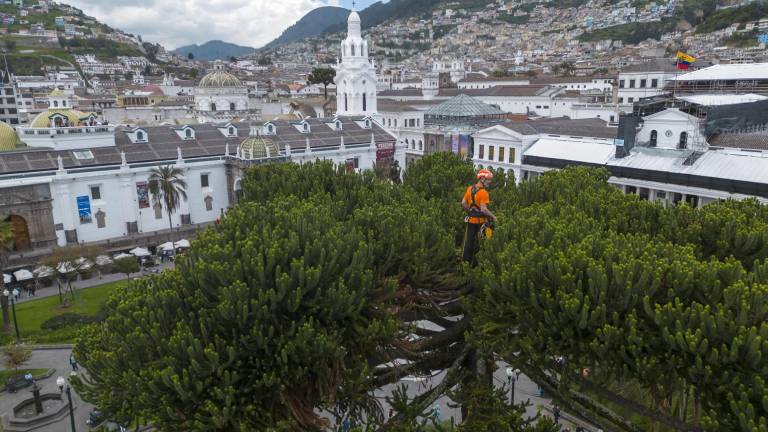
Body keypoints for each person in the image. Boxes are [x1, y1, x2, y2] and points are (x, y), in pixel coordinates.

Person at [461, 169, 497, 265]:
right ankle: (477, 266)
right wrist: (494, 217)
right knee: (480, 245)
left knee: (468, 244)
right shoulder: (484, 193)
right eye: (488, 179)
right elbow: (484, 210)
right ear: (482, 178)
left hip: (470, 221)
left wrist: (470, 211)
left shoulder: (469, 189)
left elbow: (463, 203)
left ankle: (465, 265)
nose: (490, 182)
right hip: (480, 223)